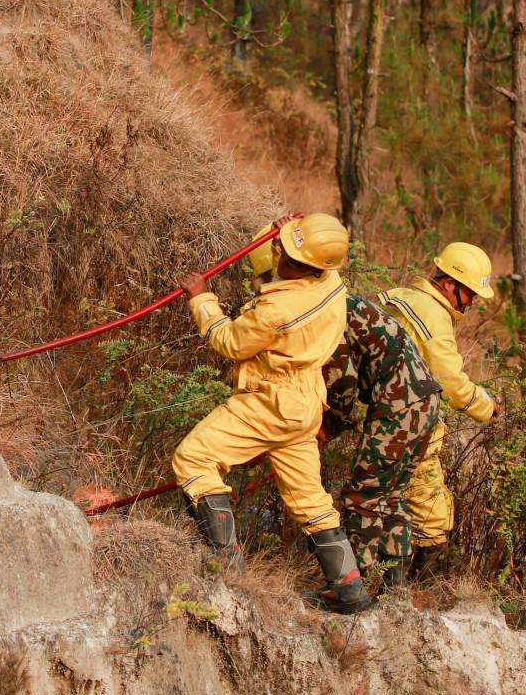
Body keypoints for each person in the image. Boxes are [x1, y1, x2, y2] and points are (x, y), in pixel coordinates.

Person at [172, 214, 374, 614]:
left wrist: (201, 298)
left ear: (305, 265)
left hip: (269, 402)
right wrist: (283, 228)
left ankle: (228, 573)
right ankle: (350, 589)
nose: (278, 252)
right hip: (305, 404)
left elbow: (227, 341)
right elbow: (310, 250)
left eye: (287, 251)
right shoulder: (332, 282)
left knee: (192, 459)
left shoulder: (276, 310)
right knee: (308, 498)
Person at [377, 242, 500, 579]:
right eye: (470, 293)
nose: (473, 302)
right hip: (411, 429)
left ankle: (391, 591)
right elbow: (449, 380)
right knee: (434, 516)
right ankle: (411, 594)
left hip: (382, 419)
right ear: (449, 284)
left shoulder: (399, 296)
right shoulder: (433, 315)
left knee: (389, 508)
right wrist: (486, 407)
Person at [323, 278, 443, 592]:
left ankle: (351, 590)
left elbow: (343, 383)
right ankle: (395, 591)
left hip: (400, 402)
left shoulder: (327, 312)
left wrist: (332, 424)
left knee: (363, 498)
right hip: (426, 399)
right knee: (392, 497)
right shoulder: (345, 301)